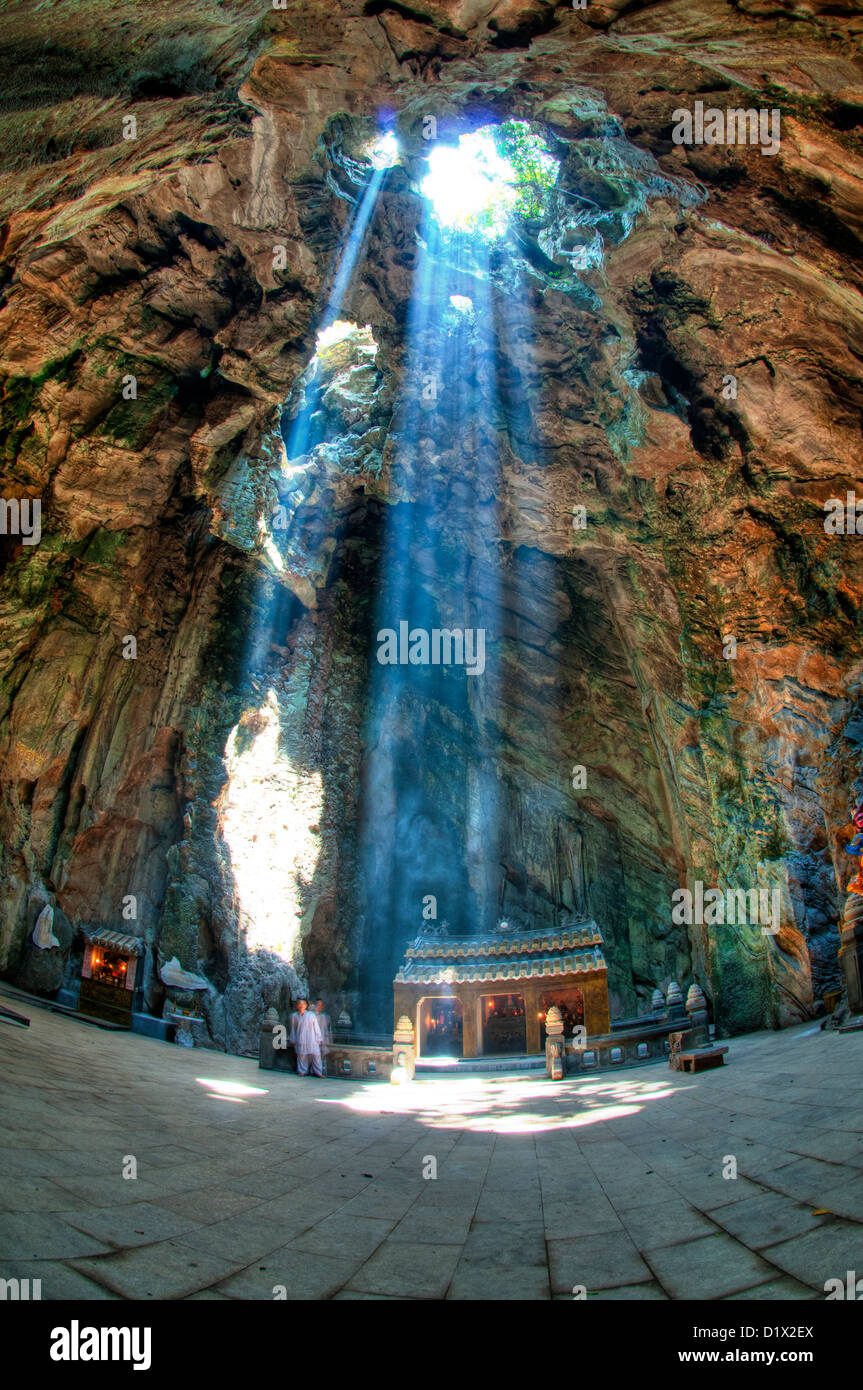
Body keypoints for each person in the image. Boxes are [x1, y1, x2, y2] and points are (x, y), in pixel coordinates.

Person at [289, 997, 323, 1077]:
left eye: (303, 1004)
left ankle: (318, 1072)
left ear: (306, 1005)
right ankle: (302, 1071)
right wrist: (293, 1039)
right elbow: (293, 1028)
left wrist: (318, 1038)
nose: (301, 1005)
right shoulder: (294, 1016)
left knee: (316, 1055)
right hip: (300, 1038)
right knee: (301, 1055)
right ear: (297, 1005)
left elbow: (316, 1027)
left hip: (312, 1038)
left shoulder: (311, 1015)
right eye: (299, 1004)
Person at [315, 998, 332, 1074]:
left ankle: (324, 1071)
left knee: (323, 1055)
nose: (319, 1007)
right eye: (318, 1005)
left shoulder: (327, 1017)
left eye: (321, 1005)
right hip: (314, 1039)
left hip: (324, 1039)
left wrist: (329, 1041)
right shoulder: (311, 1016)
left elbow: (328, 1030)